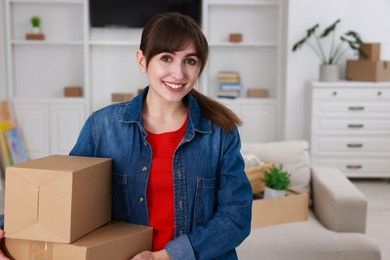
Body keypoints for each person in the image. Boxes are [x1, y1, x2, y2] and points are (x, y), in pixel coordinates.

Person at [0, 12, 252, 260]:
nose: (178, 74)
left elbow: (236, 218)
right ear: (142, 61)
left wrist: (165, 256)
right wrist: (8, 228)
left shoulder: (221, 132)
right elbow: (66, 199)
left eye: (190, 61)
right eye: (166, 58)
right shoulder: (103, 126)